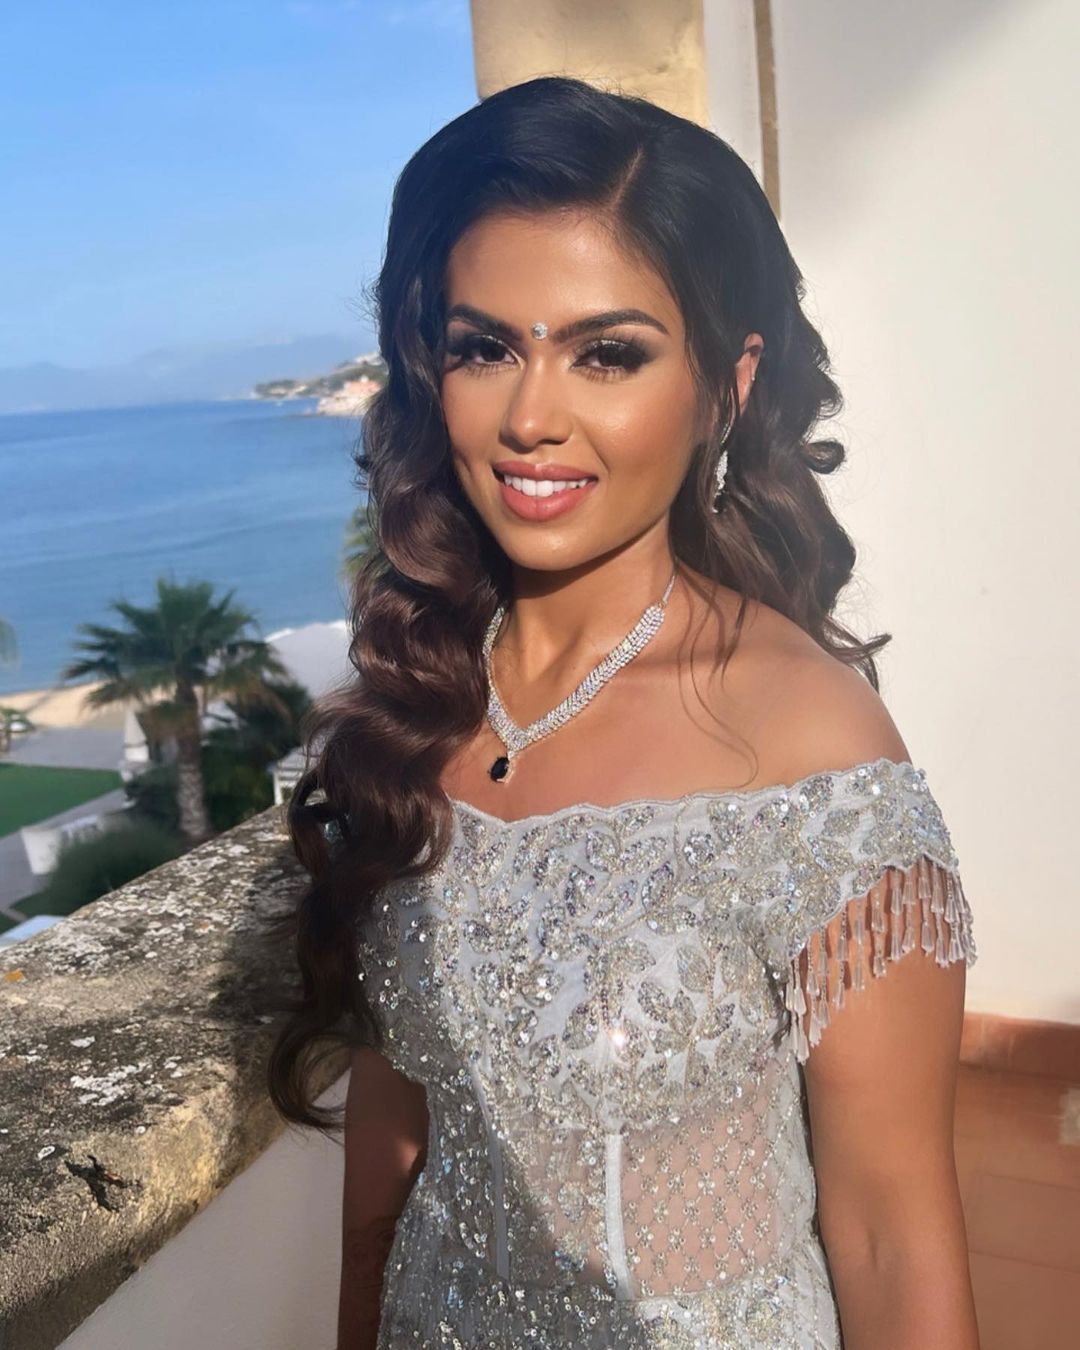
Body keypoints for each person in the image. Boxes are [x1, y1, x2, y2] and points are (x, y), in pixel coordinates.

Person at [269, 75, 981, 1350]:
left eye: (608, 353)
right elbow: (395, 1120)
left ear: (726, 384)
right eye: (486, 347)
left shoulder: (809, 753)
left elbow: (892, 1229)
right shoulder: (418, 704)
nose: (530, 418)